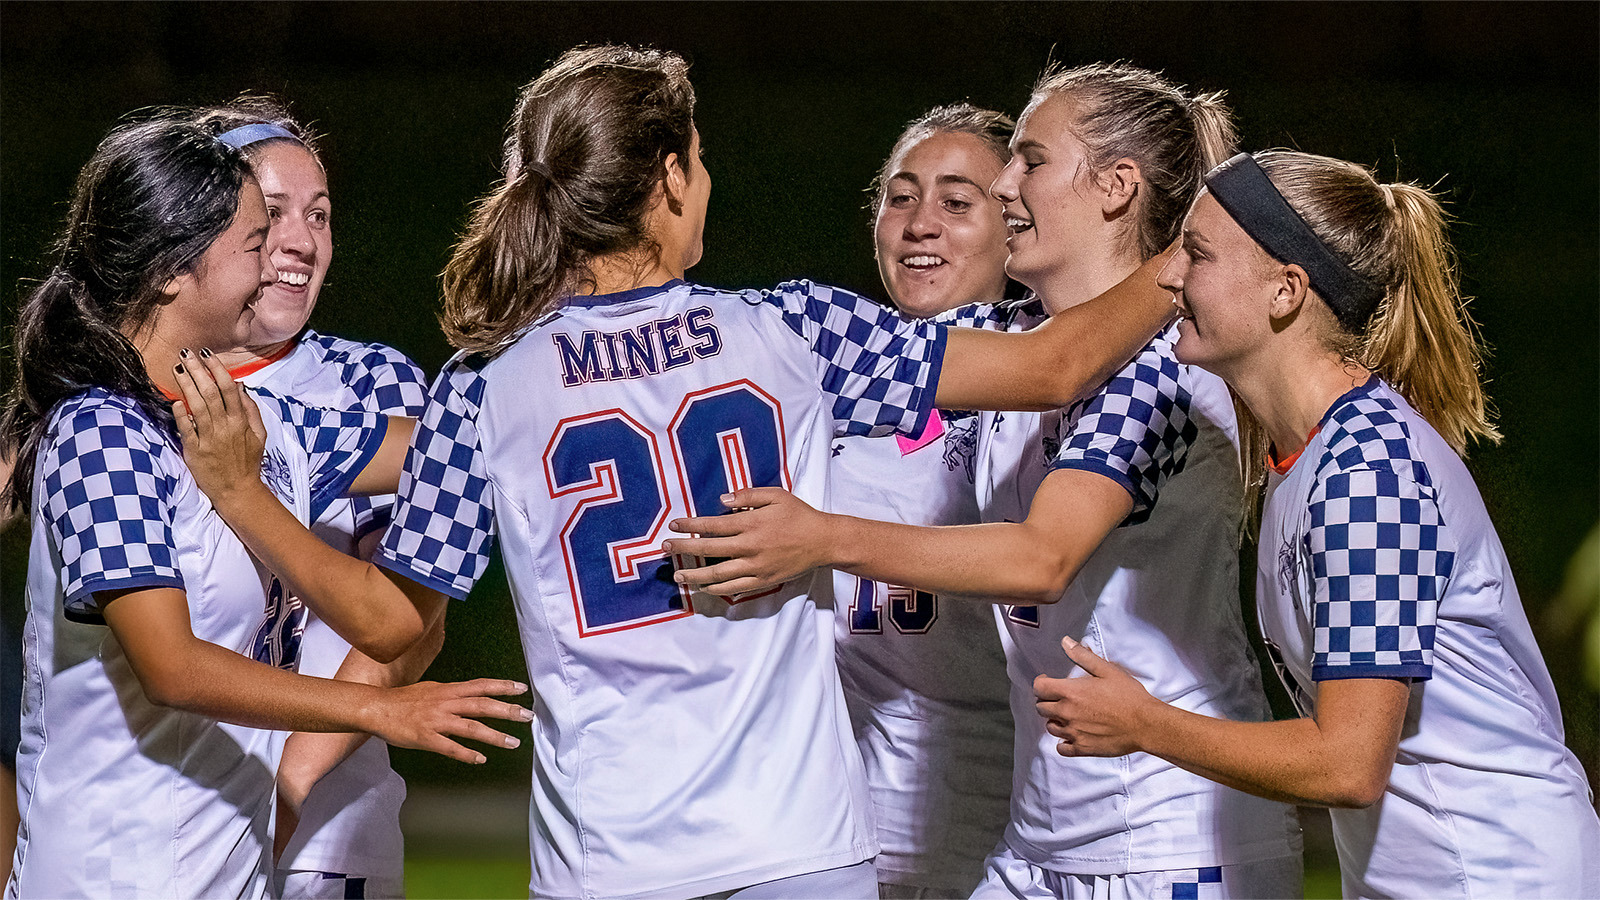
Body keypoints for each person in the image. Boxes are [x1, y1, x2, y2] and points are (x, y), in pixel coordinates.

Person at [160, 44, 1177, 899]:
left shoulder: (485, 386)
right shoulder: (790, 329)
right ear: (668, 179)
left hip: (606, 861)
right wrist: (1190, 254)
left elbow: (388, 624)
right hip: (798, 844)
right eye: (699, 157)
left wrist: (244, 496)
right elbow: (1056, 365)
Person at [668, 64, 1304, 899]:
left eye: (1029, 161)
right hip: (1040, 843)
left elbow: (1043, 558)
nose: (1007, 184)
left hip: (1165, 836)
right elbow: (1014, 357)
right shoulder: (1008, 335)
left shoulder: (1166, 361)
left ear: (1117, 187)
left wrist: (821, 537)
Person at [1027, 149, 1600, 897]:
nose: (1168, 278)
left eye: (1198, 254)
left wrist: (1145, 725)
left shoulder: (1366, 474)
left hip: (1497, 875)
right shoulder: (1307, 456)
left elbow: (1348, 764)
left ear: (1285, 290)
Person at [0, 114, 527, 899]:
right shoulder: (98, 431)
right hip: (111, 875)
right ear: (174, 269)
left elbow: (458, 465)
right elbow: (171, 667)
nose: (284, 256)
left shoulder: (267, 424)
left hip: (230, 874)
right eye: (257, 238)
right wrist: (377, 711)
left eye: (315, 217)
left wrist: (539, 347)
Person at [191, 98, 430, 900]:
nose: (302, 240)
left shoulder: (373, 386)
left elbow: (411, 625)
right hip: (158, 823)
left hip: (324, 838)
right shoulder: (124, 392)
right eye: (272, 213)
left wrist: (288, 786)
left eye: (319, 214)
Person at [837, 103, 1018, 897]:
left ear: (1014, 226)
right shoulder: (819, 378)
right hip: (831, 827)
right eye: (901, 197)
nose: (920, 224)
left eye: (956, 202)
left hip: (997, 825)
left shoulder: (1052, 393)